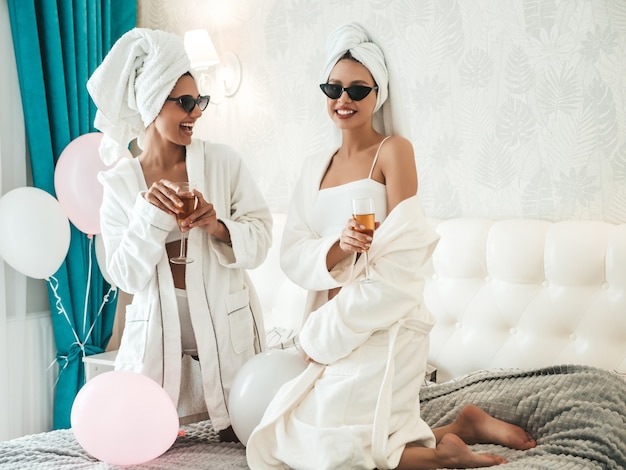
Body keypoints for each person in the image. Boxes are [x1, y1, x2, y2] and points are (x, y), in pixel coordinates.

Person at [245, 23, 536, 469]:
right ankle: (460, 429)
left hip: (383, 320)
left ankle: (449, 458)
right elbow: (294, 252)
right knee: (298, 434)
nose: (344, 100)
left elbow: (403, 254)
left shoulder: (393, 152)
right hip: (328, 319)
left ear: (378, 95)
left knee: (337, 449)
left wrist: (327, 331)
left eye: (358, 90)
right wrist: (340, 247)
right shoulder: (312, 168)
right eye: (333, 87)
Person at [87, 28, 272, 441]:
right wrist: (150, 214)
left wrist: (216, 225)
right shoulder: (120, 183)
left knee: (240, 437)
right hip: (157, 337)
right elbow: (124, 276)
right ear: (152, 104)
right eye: (185, 103)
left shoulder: (224, 162)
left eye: (200, 102)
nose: (197, 113)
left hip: (229, 334)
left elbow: (260, 238)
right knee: (145, 442)